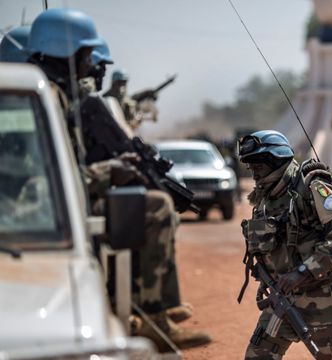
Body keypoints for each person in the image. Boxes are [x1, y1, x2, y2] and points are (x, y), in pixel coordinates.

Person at [26, 8, 210, 350]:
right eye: (86, 56)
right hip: (37, 205)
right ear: (70, 54)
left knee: (150, 200)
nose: (91, 65)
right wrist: (109, 172)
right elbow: (48, 175)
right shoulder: (50, 98)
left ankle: (149, 309)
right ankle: (153, 317)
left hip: (49, 201)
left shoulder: (54, 96)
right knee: (154, 208)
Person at [237, 130, 332, 359]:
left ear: (275, 160)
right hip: (282, 298)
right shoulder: (266, 197)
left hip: (322, 300)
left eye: (257, 166)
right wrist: (267, 278)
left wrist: (302, 272)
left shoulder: (312, 186)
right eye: (250, 167)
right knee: (257, 355)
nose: (253, 174)